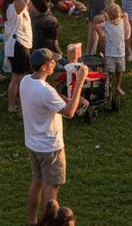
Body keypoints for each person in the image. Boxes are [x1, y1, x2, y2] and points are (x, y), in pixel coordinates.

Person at [20, 48, 89, 225]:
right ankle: (48, 224)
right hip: (50, 147)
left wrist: (59, 98)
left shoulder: (25, 81)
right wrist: (80, 82)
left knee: (37, 182)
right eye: (52, 62)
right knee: (51, 190)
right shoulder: (46, 91)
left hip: (33, 144)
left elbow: (44, 100)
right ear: (44, 67)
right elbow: (70, 112)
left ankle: (33, 221)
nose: (55, 64)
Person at [3, 0, 53, 113]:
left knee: (20, 76)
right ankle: (11, 106)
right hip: (18, 44)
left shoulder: (12, 5)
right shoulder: (15, 8)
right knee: (17, 78)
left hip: (19, 44)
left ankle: (18, 102)